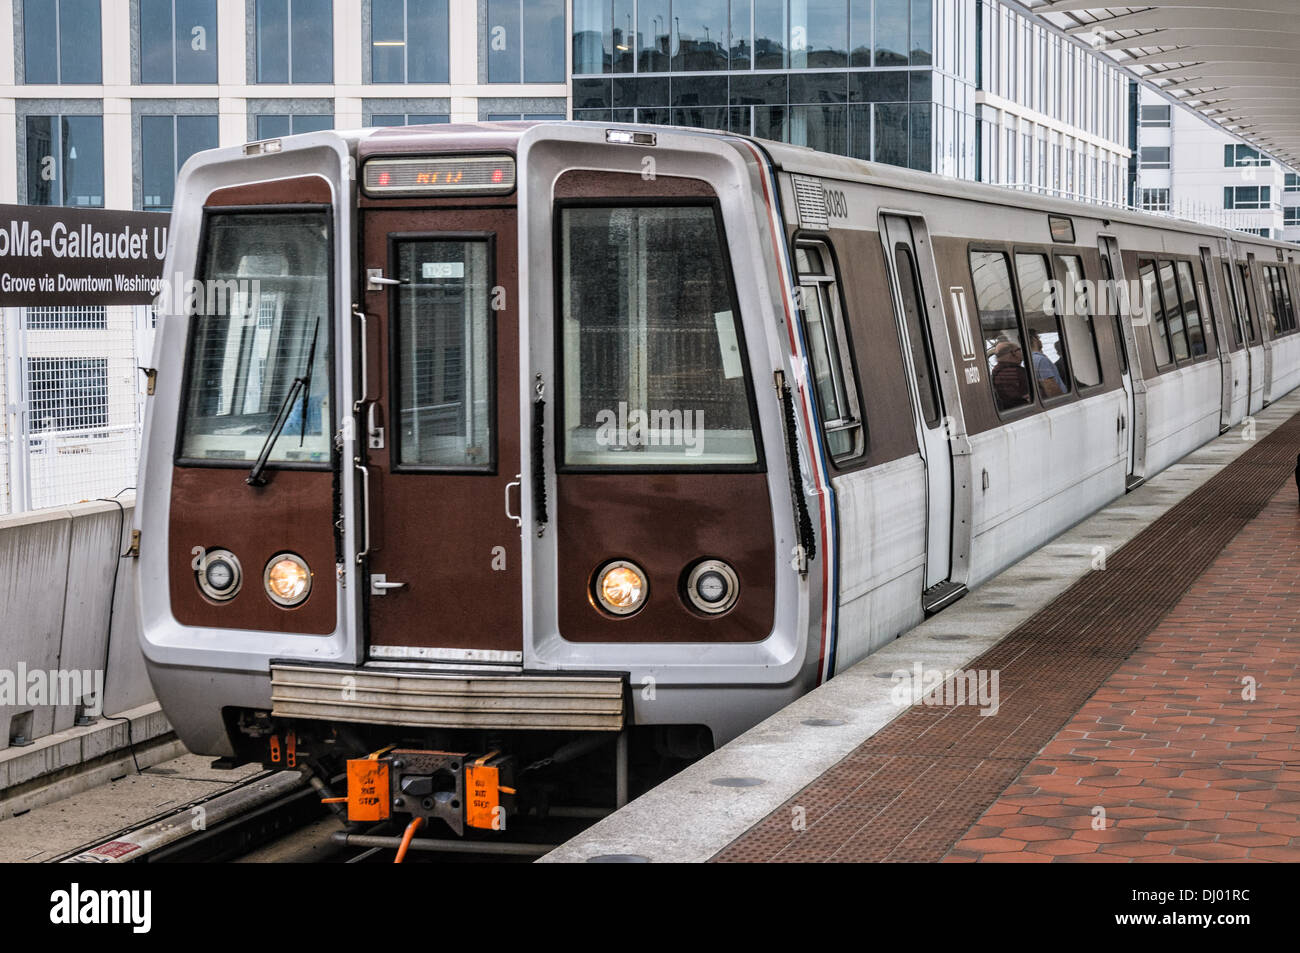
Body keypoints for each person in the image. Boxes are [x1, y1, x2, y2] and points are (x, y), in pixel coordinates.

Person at [991, 340, 1030, 410]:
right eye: (1019, 349)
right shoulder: (1018, 372)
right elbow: (1029, 396)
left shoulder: (996, 372)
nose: (1021, 352)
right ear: (1013, 353)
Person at [1029, 331, 1067, 398]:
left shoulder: (1030, 360)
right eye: (1038, 337)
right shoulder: (1041, 359)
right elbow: (1050, 385)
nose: (1040, 340)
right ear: (1034, 339)